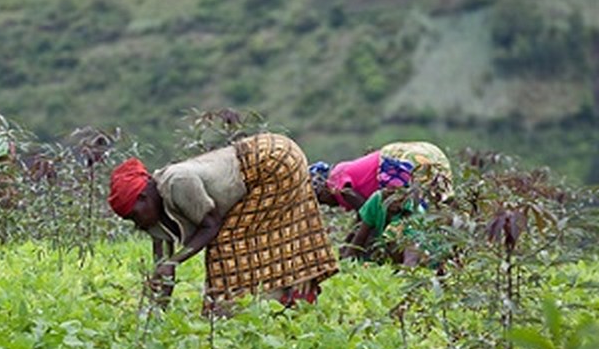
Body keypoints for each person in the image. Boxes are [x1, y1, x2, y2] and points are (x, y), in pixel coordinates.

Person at [108, 132, 338, 314]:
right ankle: (286, 300)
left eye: (134, 217)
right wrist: (157, 309)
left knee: (227, 245)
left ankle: (236, 312)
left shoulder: (177, 182)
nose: (137, 224)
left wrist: (175, 261)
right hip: (276, 157)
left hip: (273, 162)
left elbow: (211, 226)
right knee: (276, 239)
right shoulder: (156, 215)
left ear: (144, 197)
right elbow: (164, 268)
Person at [309, 141, 453, 212]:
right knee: (436, 202)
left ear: (323, 187)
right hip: (427, 151)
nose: (326, 204)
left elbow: (367, 213)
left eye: (321, 199)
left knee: (418, 207)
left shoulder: (336, 181)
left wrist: (352, 247)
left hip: (400, 160)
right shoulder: (341, 172)